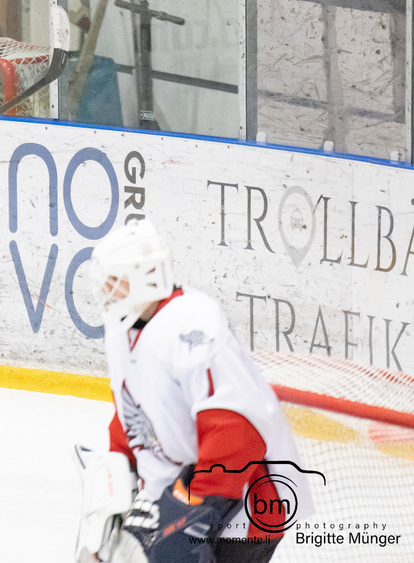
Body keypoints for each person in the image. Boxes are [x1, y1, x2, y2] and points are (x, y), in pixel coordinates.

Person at [74, 218, 312, 562]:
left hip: (240, 508)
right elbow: (131, 411)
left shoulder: (193, 324)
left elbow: (237, 429)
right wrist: (121, 474)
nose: (106, 291)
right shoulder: (122, 329)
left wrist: (188, 510)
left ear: (145, 277)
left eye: (116, 282)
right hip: (176, 495)